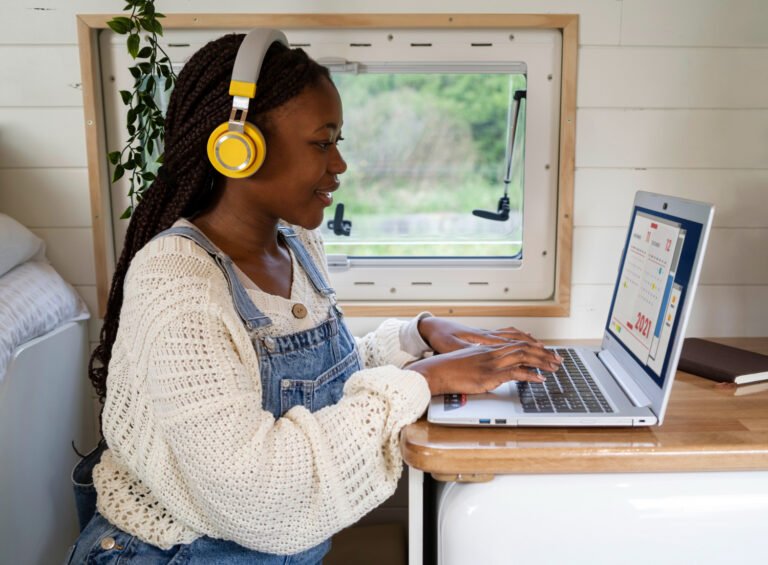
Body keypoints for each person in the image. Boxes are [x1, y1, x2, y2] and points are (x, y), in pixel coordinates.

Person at [66, 29, 561, 564]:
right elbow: (256, 494)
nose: (340, 163)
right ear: (238, 148)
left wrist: (417, 335)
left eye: (338, 142)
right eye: (322, 142)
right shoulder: (177, 282)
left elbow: (317, 387)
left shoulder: (296, 246)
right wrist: (424, 380)